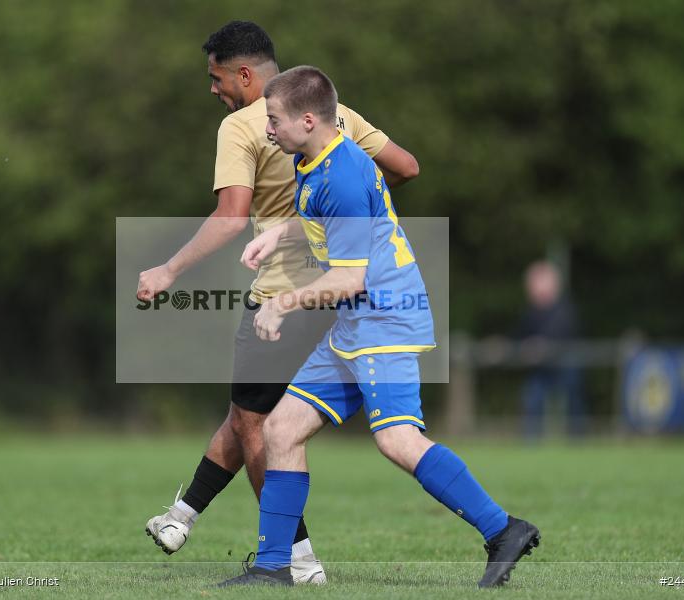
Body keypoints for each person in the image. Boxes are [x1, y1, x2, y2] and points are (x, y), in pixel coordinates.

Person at [218, 66, 540, 588]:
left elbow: (349, 279)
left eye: (273, 119)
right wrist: (278, 235)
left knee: (397, 440)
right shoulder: (313, 154)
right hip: (356, 322)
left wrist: (282, 304)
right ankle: (275, 566)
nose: (266, 129)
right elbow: (323, 217)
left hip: (382, 317)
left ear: (306, 119)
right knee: (281, 429)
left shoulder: (341, 173)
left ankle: (504, 529)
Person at [137, 21, 420, 584]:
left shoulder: (242, 126)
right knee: (249, 415)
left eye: (217, 78)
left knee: (259, 427)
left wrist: (169, 269)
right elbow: (406, 167)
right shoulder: (334, 114)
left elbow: (231, 218)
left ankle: (296, 556)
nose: (213, 90)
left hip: (282, 297)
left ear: (245, 74)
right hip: (341, 289)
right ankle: (182, 516)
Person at [516, 260, 585, 439]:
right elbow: (519, 336)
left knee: (574, 401)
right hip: (541, 370)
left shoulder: (565, 309)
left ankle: (578, 441)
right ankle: (531, 443)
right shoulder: (530, 312)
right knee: (533, 399)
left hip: (565, 366)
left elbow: (562, 332)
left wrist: (541, 345)